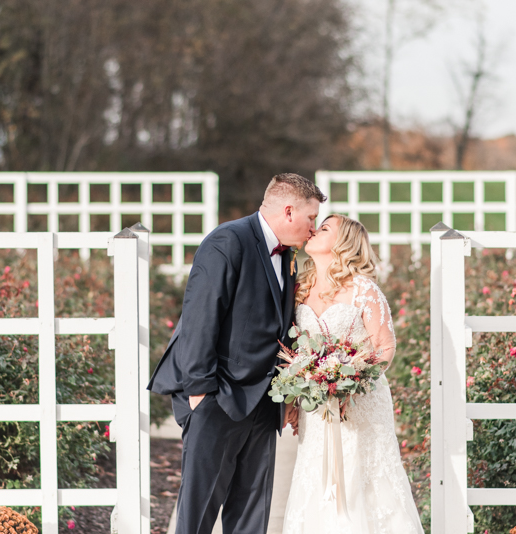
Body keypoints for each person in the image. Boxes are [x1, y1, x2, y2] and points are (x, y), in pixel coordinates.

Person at [146, 173, 322, 534]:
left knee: (251, 514)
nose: (314, 228)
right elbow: (200, 317)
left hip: (263, 401)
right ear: (289, 211)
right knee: (198, 515)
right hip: (217, 396)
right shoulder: (228, 240)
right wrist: (200, 393)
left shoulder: (287, 255)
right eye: (311, 218)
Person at [283, 214, 424, 533]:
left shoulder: (363, 290)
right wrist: (296, 395)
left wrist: (350, 384)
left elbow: (385, 346)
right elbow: (297, 351)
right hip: (316, 409)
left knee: (362, 479)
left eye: (325, 228)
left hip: (360, 405)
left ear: (343, 242)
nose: (314, 230)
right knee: (317, 479)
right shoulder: (301, 288)